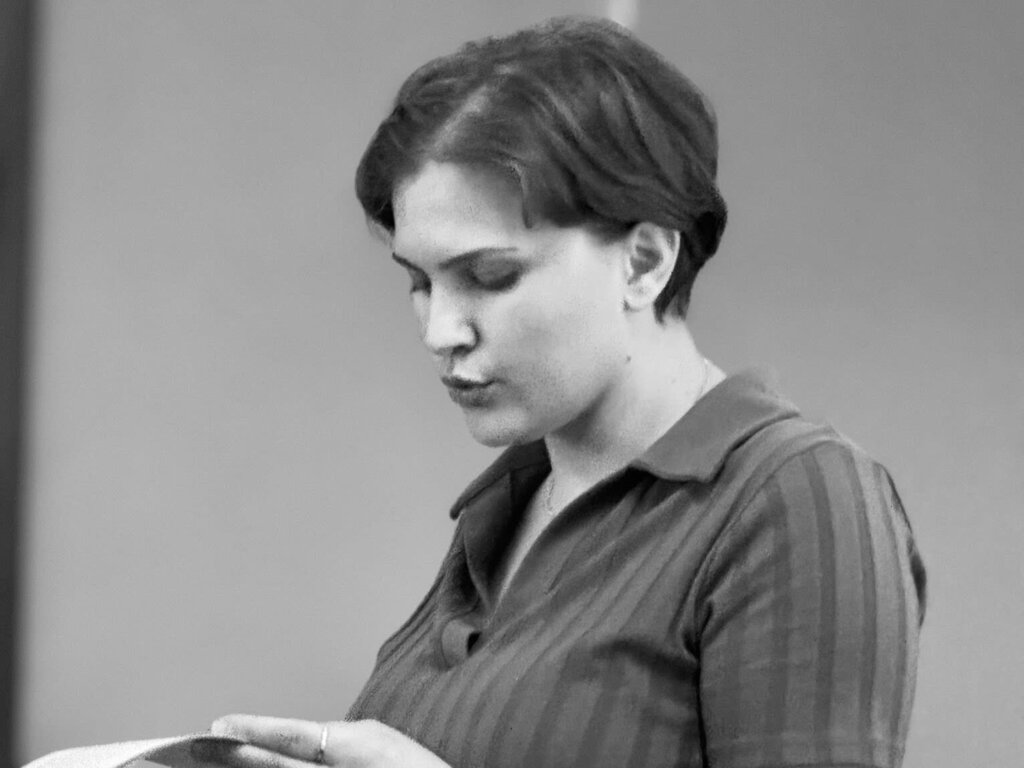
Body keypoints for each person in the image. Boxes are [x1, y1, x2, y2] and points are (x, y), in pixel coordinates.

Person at [192, 15, 926, 768]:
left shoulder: (792, 497)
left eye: (490, 276)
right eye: (419, 282)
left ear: (644, 262)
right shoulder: (511, 501)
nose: (440, 330)